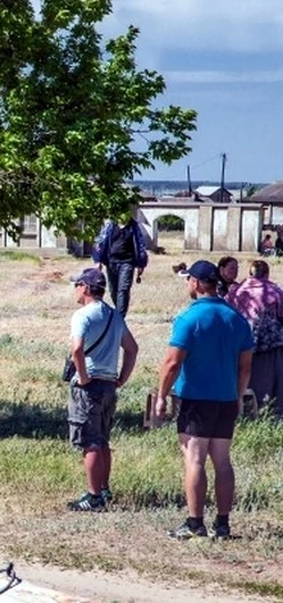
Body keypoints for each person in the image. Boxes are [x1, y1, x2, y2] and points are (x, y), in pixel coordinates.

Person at [156, 260, 253, 540]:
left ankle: (195, 521)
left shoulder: (189, 319)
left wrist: (161, 395)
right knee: (222, 461)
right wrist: (237, 395)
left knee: (195, 459)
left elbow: (172, 363)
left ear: (197, 283)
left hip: (196, 399)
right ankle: (222, 525)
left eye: (189, 280)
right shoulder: (236, 318)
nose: (188, 284)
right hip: (225, 399)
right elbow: (246, 365)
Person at [65, 268, 138, 512]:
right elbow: (132, 348)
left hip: (89, 385)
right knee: (104, 439)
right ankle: (104, 489)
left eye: (77, 285)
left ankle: (93, 496)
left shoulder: (82, 315)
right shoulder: (114, 315)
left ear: (85, 287)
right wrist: (122, 378)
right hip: (108, 383)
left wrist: (83, 377)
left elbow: (77, 349)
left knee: (90, 442)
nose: (75, 289)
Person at [227, 260, 283, 417]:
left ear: (250, 273)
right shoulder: (275, 291)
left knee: (243, 375)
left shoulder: (236, 291)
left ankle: (242, 410)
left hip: (240, 343)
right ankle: (269, 411)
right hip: (269, 345)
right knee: (268, 379)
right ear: (267, 273)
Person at [91, 210, 148, 317]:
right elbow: (101, 242)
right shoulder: (110, 226)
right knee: (113, 290)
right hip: (111, 262)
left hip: (127, 263)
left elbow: (140, 245)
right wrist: (98, 260)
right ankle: (118, 312)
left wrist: (141, 263)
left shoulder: (134, 227)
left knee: (123, 289)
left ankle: (120, 317)